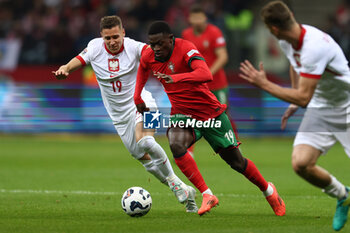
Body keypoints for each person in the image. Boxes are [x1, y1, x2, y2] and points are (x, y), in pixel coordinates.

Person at [134, 20, 285, 216]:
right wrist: (137, 96)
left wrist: (178, 78)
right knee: (177, 145)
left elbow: (205, 74)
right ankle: (207, 194)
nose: (155, 49)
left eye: (159, 44)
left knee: (236, 163)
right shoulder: (149, 55)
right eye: (152, 44)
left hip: (210, 113)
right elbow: (143, 69)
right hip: (182, 114)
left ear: (170, 40)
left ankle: (269, 191)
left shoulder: (186, 48)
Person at [52, 15, 198, 213]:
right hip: (119, 118)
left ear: (123, 33)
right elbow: (78, 60)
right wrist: (65, 69)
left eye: (115, 37)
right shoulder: (94, 47)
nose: (112, 42)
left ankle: (175, 184)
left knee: (145, 141)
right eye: (107, 38)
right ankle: (186, 193)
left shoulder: (135, 48)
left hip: (145, 104)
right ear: (101, 37)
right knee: (143, 158)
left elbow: (158, 53)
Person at [239, 1, 350, 231]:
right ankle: (343, 196)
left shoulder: (314, 46)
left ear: (273, 29)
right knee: (301, 164)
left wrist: (265, 84)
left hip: (346, 106)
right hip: (320, 107)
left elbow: (303, 98)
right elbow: (294, 67)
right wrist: (293, 94)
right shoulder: (287, 39)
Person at [182, 5, 238, 156]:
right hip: (197, 85)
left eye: (200, 17)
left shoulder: (214, 32)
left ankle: (234, 144)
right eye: (194, 18)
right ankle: (189, 150)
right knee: (191, 114)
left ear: (205, 18)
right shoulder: (186, 34)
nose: (197, 21)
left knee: (223, 114)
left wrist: (206, 74)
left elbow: (223, 56)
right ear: (189, 19)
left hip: (216, 84)